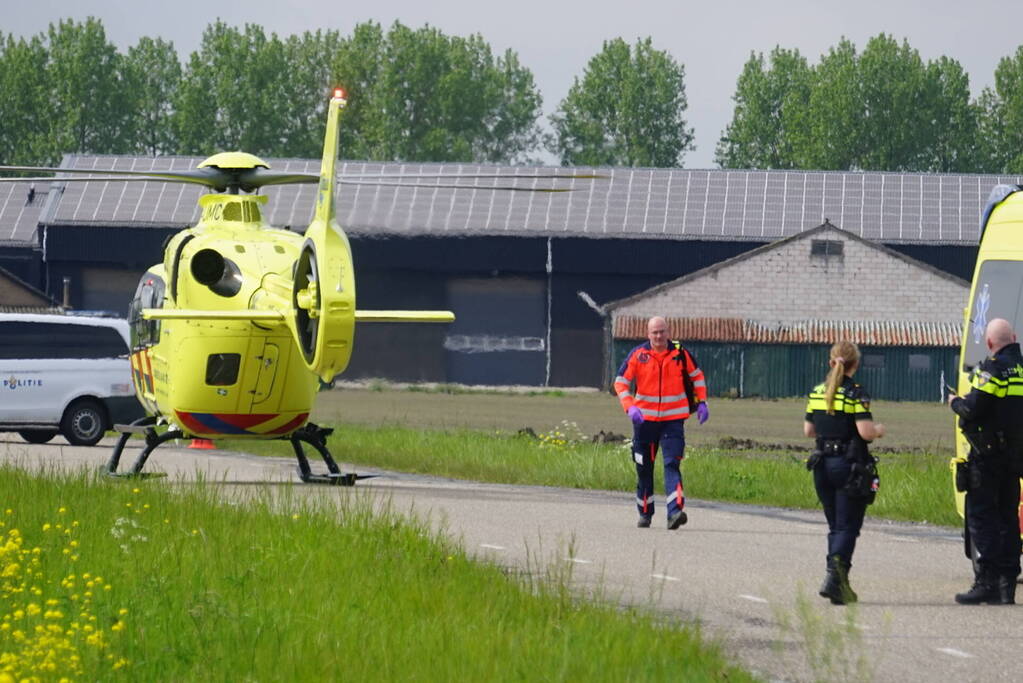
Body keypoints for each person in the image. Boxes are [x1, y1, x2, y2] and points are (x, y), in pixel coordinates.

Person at [948, 317, 1023, 605]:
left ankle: (986, 581)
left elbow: (973, 408)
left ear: (990, 343)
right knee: (1008, 518)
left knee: (982, 517)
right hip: (1014, 459)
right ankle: (1007, 586)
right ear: (1014, 337)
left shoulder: (993, 370)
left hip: (989, 458)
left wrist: (954, 402)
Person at [804, 341, 885, 605]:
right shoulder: (855, 394)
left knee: (834, 526)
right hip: (848, 466)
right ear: (856, 365)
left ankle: (840, 583)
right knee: (847, 526)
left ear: (831, 362)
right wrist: (879, 430)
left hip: (821, 464)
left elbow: (809, 431)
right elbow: (865, 433)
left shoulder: (817, 391)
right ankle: (834, 577)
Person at [614, 316, 709, 530]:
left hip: (673, 421)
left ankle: (675, 512)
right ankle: (645, 513)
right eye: (654, 332)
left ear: (669, 332)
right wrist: (630, 407)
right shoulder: (638, 355)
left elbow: (697, 376)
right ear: (648, 334)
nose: (659, 336)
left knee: (671, 463)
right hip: (644, 423)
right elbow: (620, 383)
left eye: (662, 332)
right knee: (644, 469)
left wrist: (702, 402)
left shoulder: (680, 353)